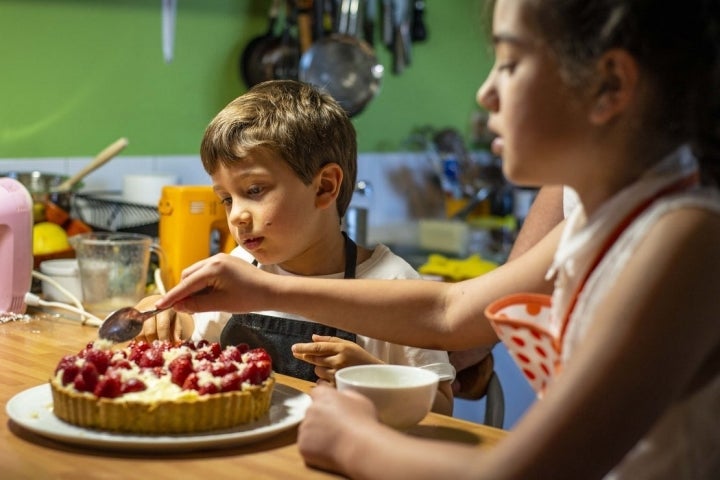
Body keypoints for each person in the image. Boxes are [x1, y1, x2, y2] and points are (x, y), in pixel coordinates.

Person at [155, 0, 720, 478]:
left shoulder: (686, 239)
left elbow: (520, 473)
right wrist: (262, 291)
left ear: (611, 85)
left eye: (510, 63)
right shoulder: (604, 224)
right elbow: (450, 311)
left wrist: (352, 437)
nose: (485, 94)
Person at [133, 79, 454, 415]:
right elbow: (190, 341)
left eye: (255, 190)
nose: (237, 216)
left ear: (324, 187)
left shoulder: (395, 285)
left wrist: (372, 377)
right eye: (227, 199)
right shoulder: (241, 267)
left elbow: (444, 411)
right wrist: (161, 312)